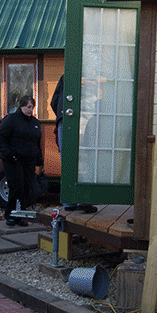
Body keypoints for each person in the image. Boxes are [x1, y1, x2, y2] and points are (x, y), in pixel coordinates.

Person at [49, 75, 96, 214]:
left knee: (68, 161)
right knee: (86, 159)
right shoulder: (89, 77)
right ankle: (84, 200)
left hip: (65, 120)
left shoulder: (65, 77)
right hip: (82, 120)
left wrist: (60, 116)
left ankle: (68, 201)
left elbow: (54, 101)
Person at [0, 95, 44, 227]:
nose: (30, 110)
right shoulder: (11, 120)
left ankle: (20, 214)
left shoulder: (35, 123)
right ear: (21, 106)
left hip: (29, 159)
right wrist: (8, 153)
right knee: (16, 186)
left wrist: (39, 157)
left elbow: (37, 141)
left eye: (32, 107)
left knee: (27, 186)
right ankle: (10, 214)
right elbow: (0, 137)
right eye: (28, 107)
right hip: (13, 159)